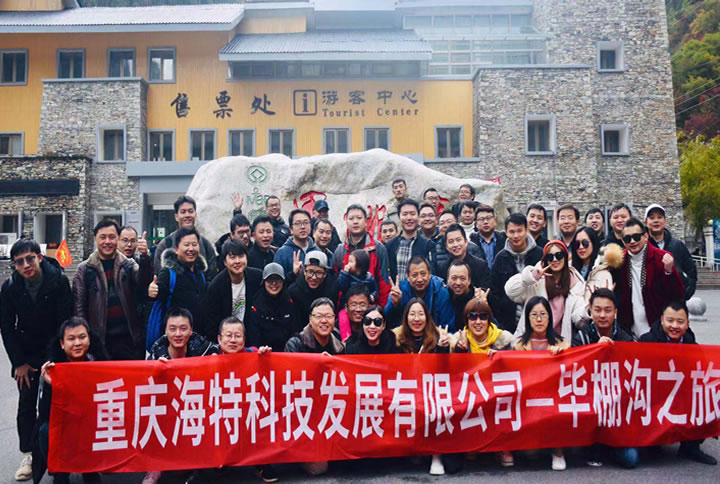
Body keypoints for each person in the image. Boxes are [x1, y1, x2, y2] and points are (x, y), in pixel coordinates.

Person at [0, 239, 72, 481]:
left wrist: (55, 360)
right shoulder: (10, 287)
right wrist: (18, 362)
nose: (26, 265)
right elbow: (7, 327)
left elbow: (65, 322)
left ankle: (60, 452)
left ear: (40, 258)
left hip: (55, 353)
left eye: (30, 259)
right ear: (14, 265)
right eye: (19, 262)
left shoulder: (59, 281)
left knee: (57, 405)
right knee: (27, 405)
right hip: (27, 355)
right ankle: (29, 455)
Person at [639, 301, 717, 466]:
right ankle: (653, 443)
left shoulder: (692, 346)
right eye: (670, 320)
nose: (674, 326)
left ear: (687, 324)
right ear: (662, 320)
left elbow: (703, 376)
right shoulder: (647, 341)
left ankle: (690, 447)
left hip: (681, 396)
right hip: (654, 397)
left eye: (680, 322)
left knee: (706, 394)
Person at [143, 307, 214, 484]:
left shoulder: (204, 348)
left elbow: (232, 353)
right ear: (165, 331)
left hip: (196, 408)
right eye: (172, 329)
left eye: (183, 329)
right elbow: (144, 389)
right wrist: (155, 372)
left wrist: (255, 353)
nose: (178, 334)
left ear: (191, 330)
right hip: (167, 409)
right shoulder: (155, 354)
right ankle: (155, 467)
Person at [33, 317, 109, 484]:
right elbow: (44, 413)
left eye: (82, 337)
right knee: (45, 430)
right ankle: (60, 474)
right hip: (63, 422)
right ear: (62, 343)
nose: (77, 343)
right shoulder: (52, 368)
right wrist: (50, 385)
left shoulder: (100, 363)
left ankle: (90, 471)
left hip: (91, 419)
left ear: (89, 339)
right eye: (71, 339)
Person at [73, 219, 152, 360]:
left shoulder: (128, 265)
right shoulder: (84, 269)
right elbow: (79, 307)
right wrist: (84, 336)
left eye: (112, 237)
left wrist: (145, 257)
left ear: (117, 239)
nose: (107, 242)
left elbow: (143, 282)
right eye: (103, 237)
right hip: (99, 341)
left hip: (128, 339)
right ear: (95, 239)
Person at [284, 298, 343, 477]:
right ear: (310, 319)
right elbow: (289, 384)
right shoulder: (295, 343)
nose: (324, 321)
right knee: (318, 468)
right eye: (319, 316)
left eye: (328, 316)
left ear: (335, 319)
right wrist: (315, 366)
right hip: (304, 413)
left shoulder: (339, 343)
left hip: (331, 410)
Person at [391, 298, 450, 475]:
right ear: (406, 317)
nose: (416, 319)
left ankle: (436, 455)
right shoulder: (397, 339)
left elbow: (445, 371)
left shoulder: (438, 338)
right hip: (406, 390)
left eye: (421, 314)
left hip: (431, 391)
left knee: (436, 406)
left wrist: (443, 348)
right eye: (412, 314)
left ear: (427, 317)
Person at [512, 296, 568, 471]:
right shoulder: (518, 345)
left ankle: (558, 451)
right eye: (534, 315)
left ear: (550, 317)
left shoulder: (562, 343)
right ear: (527, 318)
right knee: (531, 454)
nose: (538, 319)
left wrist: (561, 355)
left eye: (543, 314)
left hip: (553, 397)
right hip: (529, 398)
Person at [607, 218, 685, 339]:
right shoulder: (619, 261)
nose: (632, 241)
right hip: (629, 329)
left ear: (645, 236)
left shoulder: (661, 258)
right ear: (622, 241)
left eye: (636, 237)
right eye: (627, 239)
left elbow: (678, 294)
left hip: (657, 329)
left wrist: (669, 272)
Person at [507, 240, 587, 343]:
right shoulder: (536, 280)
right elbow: (510, 291)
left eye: (559, 255)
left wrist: (588, 310)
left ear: (565, 257)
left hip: (558, 343)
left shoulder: (574, 282)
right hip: (530, 341)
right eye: (550, 257)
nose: (555, 260)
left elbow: (578, 317)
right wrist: (531, 277)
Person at [148, 227, 210, 336]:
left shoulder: (201, 274)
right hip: (175, 337)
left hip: (198, 337)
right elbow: (158, 293)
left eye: (194, 244)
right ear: (176, 249)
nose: (191, 249)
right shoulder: (168, 273)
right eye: (186, 245)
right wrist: (152, 292)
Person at [488, 213, 543, 333]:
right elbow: (495, 292)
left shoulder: (540, 254)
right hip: (510, 321)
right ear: (506, 232)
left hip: (538, 318)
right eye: (512, 232)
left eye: (520, 231)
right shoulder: (500, 258)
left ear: (526, 230)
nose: (516, 236)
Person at [203, 240, 263, 340]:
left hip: (251, 337)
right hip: (227, 339)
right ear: (225, 262)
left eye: (241, 256)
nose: (237, 261)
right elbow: (211, 323)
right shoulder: (216, 287)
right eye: (232, 257)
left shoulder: (257, 277)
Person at [333, 204, 391, 305]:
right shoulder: (340, 250)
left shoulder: (378, 248)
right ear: (346, 221)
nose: (355, 222)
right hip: (347, 307)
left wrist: (383, 309)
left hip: (371, 306)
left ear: (366, 221)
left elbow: (384, 283)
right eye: (351, 218)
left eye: (359, 218)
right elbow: (335, 285)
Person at [153, 195, 217, 279]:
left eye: (190, 211)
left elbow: (212, 277)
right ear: (176, 216)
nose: (187, 215)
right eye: (183, 212)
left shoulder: (205, 244)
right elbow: (158, 276)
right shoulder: (165, 245)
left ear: (195, 214)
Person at [385, 256, 455, 330]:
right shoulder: (399, 290)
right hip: (406, 335)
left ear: (429, 274)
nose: (419, 279)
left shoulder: (440, 291)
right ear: (408, 276)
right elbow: (386, 322)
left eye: (423, 274)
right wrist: (395, 304)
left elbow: (448, 326)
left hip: (434, 335)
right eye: (414, 275)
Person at [645, 204, 697, 300]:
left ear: (665, 221)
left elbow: (691, 272)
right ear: (646, 222)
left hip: (676, 301)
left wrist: (686, 293)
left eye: (659, 217)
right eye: (652, 218)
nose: (656, 220)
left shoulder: (678, 245)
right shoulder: (643, 246)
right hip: (651, 302)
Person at [245, 263, 300, 352]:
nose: (274, 284)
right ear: (264, 282)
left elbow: (294, 330)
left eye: (278, 280)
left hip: (286, 352)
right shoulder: (256, 303)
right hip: (263, 352)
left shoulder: (290, 301)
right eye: (270, 280)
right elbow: (253, 334)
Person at [385, 199, 436, 280]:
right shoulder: (390, 246)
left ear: (418, 217)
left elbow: (431, 273)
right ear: (399, 217)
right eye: (405, 214)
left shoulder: (428, 245)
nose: (409, 218)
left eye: (412, 214)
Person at [288, 251, 338, 326]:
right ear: (304, 271)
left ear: (325, 274)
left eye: (319, 273)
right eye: (310, 272)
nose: (314, 277)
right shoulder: (295, 291)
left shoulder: (332, 288)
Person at [571, 227, 615, 303]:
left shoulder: (603, 273)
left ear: (593, 243)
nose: (581, 247)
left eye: (585, 243)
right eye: (577, 244)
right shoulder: (570, 270)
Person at [440, 224, 490, 290]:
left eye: (458, 240)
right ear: (446, 246)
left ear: (466, 242)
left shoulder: (481, 266)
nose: (455, 244)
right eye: (451, 241)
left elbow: (486, 289)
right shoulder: (442, 268)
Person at [273, 209, 317, 282]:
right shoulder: (282, 253)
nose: (302, 227)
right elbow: (276, 282)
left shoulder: (316, 250)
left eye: (306, 222)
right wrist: (293, 274)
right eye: (298, 223)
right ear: (291, 229)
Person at [470, 204, 506, 269]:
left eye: (488, 218)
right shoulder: (471, 243)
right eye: (482, 219)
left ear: (495, 221)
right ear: (476, 224)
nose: (485, 222)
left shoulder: (504, 240)